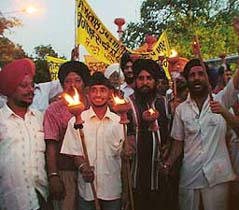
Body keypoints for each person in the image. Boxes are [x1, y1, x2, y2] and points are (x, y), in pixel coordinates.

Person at [163, 58, 239, 210]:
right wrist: (167, 164)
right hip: (190, 175)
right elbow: (178, 144)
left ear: (207, 77)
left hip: (217, 176)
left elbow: (237, 82)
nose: (196, 78)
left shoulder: (221, 101)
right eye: (192, 75)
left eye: (200, 74)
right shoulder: (181, 110)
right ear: (187, 80)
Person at [61, 72, 124, 210]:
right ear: (88, 93)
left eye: (103, 90)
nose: (98, 95)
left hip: (112, 189)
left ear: (110, 93)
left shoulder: (120, 122)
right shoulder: (76, 120)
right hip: (88, 190)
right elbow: (75, 153)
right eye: (94, 90)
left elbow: (124, 156)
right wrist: (83, 167)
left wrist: (128, 151)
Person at [0, 58, 49, 210]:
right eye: (24, 86)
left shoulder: (40, 118)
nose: (30, 90)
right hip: (10, 201)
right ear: (10, 89)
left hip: (41, 196)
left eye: (32, 85)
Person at [43, 61, 90, 210]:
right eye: (68, 81)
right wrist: (54, 175)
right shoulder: (54, 109)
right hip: (66, 171)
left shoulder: (93, 105)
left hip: (91, 171)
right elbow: (51, 144)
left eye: (77, 81)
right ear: (62, 84)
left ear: (84, 84)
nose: (73, 85)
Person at [127, 58, 170, 210]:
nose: (145, 82)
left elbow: (172, 133)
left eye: (149, 78)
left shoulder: (164, 103)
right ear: (135, 80)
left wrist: (168, 148)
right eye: (140, 78)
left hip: (161, 174)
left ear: (155, 81)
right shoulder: (128, 104)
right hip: (137, 175)